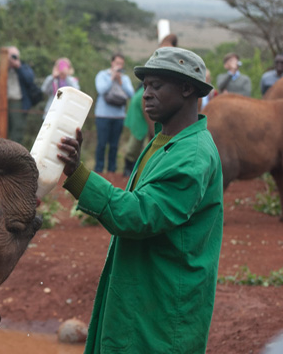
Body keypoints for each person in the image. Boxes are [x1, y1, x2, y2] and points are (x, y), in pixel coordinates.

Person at [57, 47, 223, 353]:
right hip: (143, 290)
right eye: (144, 85)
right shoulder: (164, 142)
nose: (145, 94)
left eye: (156, 85)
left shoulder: (192, 155)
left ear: (187, 88)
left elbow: (139, 214)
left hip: (163, 305)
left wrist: (79, 176)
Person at [123, 34, 178, 177]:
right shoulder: (165, 53)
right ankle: (129, 166)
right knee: (138, 135)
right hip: (143, 103)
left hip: (155, 100)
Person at [93, 53, 135, 173]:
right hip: (103, 115)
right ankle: (99, 169)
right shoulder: (102, 75)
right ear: (112, 63)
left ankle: (112, 170)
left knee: (114, 145)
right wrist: (111, 78)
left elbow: (131, 94)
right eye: (117, 63)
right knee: (101, 144)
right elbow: (101, 90)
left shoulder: (125, 78)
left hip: (119, 116)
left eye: (121, 64)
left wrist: (121, 81)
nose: (119, 66)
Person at [0, 46, 39, 144]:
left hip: (18, 102)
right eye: (10, 56)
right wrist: (5, 67)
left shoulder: (24, 67)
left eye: (14, 56)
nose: (12, 59)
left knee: (17, 129)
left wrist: (18, 67)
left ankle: (13, 151)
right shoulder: (3, 68)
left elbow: (29, 80)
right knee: (1, 129)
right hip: (3, 102)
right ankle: (1, 149)